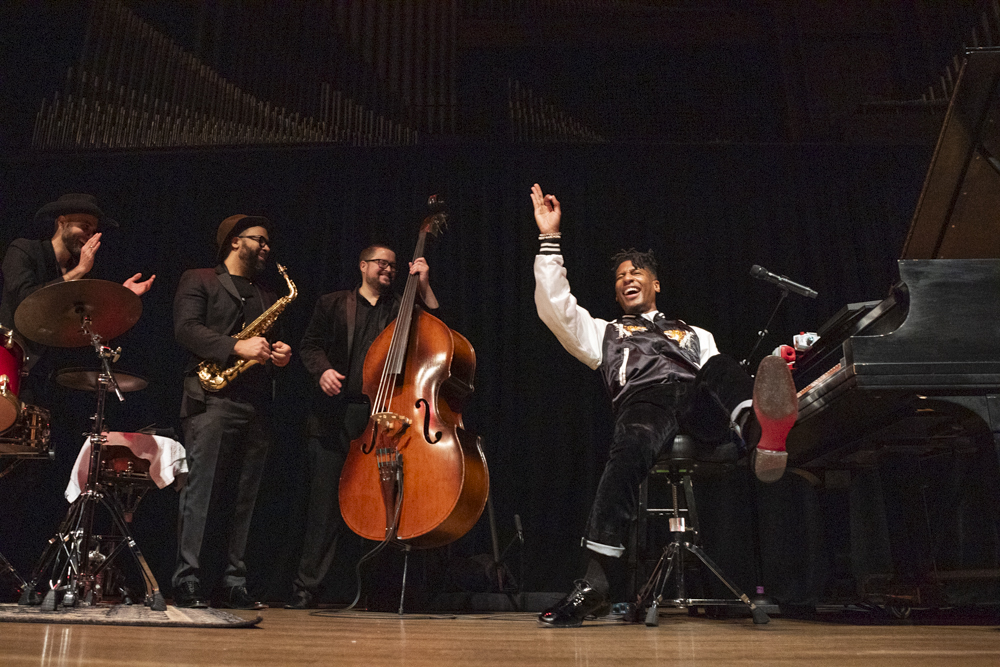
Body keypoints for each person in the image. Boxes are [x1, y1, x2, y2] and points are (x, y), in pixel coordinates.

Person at [529, 183, 799, 628]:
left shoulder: (694, 332)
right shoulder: (604, 331)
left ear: (656, 283)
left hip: (699, 405)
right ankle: (594, 583)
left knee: (717, 365)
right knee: (629, 446)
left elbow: (712, 372)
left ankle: (759, 430)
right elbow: (555, 308)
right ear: (616, 293)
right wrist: (549, 239)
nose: (627, 279)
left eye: (636, 273)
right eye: (619, 277)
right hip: (645, 401)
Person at [286, 244, 438, 609]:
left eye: (392, 265)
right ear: (362, 266)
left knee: (380, 504)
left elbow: (437, 326)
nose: (388, 269)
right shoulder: (333, 303)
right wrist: (322, 370)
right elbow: (309, 345)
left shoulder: (401, 309)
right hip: (335, 416)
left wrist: (424, 285)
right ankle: (307, 589)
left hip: (385, 418)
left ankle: (374, 591)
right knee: (323, 507)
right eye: (381, 263)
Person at [172, 214, 292, 609]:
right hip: (211, 399)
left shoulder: (264, 293)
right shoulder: (200, 278)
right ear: (236, 242)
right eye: (260, 240)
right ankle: (187, 579)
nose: (266, 247)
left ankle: (233, 580)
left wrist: (276, 354)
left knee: (246, 499)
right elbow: (186, 329)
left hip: (254, 402)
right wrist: (235, 346)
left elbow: (265, 344)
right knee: (200, 493)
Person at [0, 193, 155, 399]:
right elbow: (26, 298)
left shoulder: (78, 269)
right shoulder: (24, 250)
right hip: (9, 362)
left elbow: (87, 321)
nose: (89, 235)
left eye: (93, 230)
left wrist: (121, 297)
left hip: (46, 374)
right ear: (62, 222)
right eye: (84, 226)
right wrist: (79, 270)